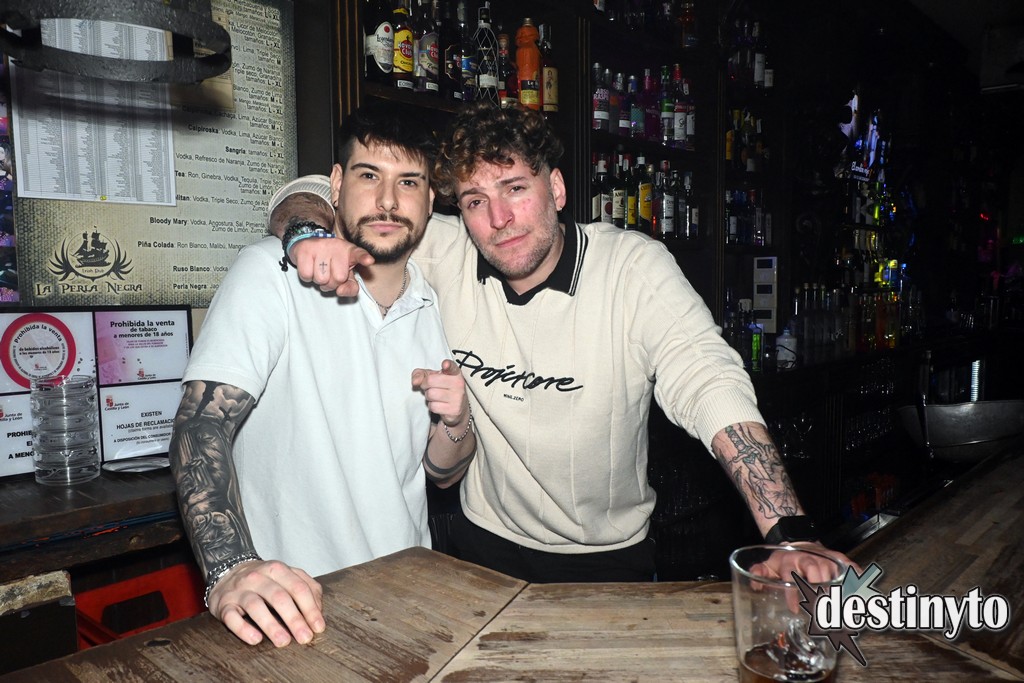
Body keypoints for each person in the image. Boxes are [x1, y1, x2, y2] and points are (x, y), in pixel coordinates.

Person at [271, 101, 854, 583]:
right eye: (474, 201)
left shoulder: (631, 267)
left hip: (607, 562)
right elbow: (312, 190)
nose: (498, 217)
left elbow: (708, 380)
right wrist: (307, 234)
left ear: (555, 187)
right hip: (479, 553)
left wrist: (788, 532)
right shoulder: (444, 250)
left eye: (515, 188)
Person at [169, 104, 476, 649]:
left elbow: (438, 475)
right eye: (368, 175)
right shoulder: (272, 272)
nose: (388, 200)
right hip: (293, 608)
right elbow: (201, 426)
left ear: (431, 200)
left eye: (408, 182)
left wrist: (456, 422)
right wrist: (230, 567)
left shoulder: (431, 304)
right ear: (335, 184)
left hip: (409, 597)